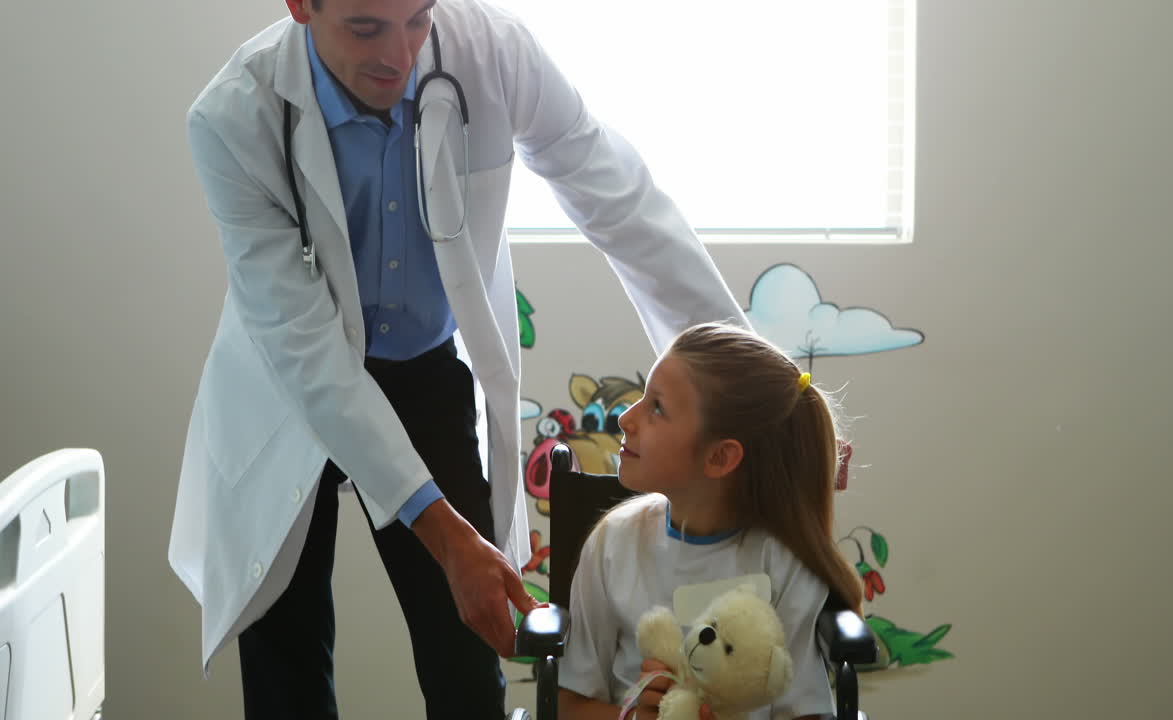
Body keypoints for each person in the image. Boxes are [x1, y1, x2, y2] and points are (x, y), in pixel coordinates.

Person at [165, 0, 749, 717]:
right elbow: (308, 350)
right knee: (286, 665)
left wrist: (756, 384)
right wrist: (444, 533)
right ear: (299, 6)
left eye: (418, 18)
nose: (401, 54)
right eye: (366, 26)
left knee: (466, 663)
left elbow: (618, 198)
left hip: (425, 369)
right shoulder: (234, 117)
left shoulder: (493, 52)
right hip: (291, 384)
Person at [558, 322, 864, 720]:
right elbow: (567, 706)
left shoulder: (784, 561)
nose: (626, 419)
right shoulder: (613, 543)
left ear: (720, 457)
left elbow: (804, 712)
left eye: (657, 408)